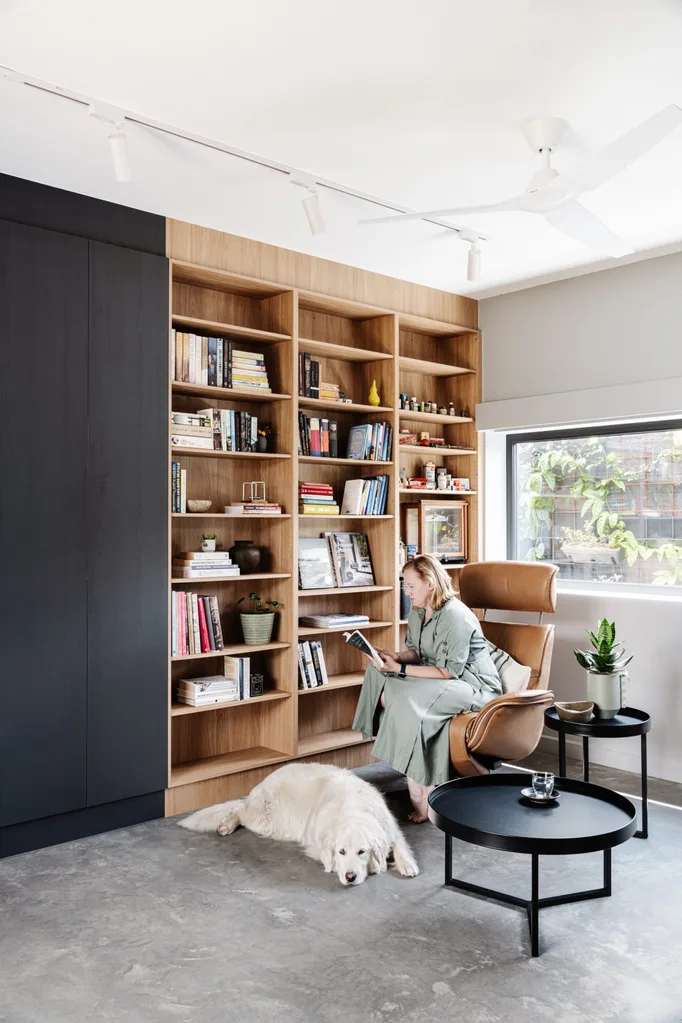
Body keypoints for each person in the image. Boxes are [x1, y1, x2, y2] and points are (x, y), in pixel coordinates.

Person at [352, 555, 502, 822]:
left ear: (430, 583)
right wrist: (396, 657)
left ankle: (423, 793)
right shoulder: (420, 611)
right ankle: (412, 763)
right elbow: (417, 653)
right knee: (377, 675)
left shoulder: (455, 616)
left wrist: (399, 670)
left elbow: (448, 671)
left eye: (411, 586)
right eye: (405, 586)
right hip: (440, 677)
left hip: (472, 685)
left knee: (410, 699)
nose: (407, 593)